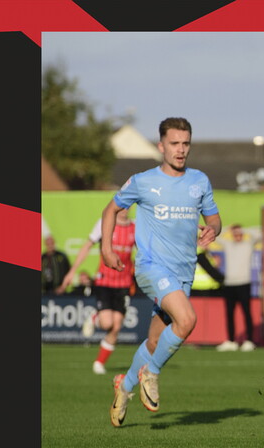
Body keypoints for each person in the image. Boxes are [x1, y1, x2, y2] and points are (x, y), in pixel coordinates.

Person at [106, 117, 222, 427]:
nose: (181, 150)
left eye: (185, 143)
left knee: (156, 342)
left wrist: (212, 230)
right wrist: (106, 249)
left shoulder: (199, 180)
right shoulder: (143, 181)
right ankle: (151, 373)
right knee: (187, 320)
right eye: (174, 143)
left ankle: (125, 385)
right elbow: (111, 209)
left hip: (183, 273)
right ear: (161, 146)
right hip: (151, 268)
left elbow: (215, 219)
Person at [59, 207, 136, 374]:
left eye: (127, 206)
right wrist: (72, 272)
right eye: (121, 206)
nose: (123, 210)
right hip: (104, 280)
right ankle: (94, 317)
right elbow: (87, 246)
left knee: (116, 327)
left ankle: (99, 363)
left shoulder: (135, 227)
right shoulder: (105, 223)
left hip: (123, 282)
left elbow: (144, 252)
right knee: (107, 323)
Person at [214, 224, 256, 352]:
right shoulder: (228, 244)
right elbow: (216, 236)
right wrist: (228, 229)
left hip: (244, 283)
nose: (237, 236)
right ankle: (231, 340)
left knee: (246, 312)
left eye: (239, 233)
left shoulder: (247, 244)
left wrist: (243, 229)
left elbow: (258, 234)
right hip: (229, 284)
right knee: (230, 313)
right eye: (235, 234)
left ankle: (249, 340)